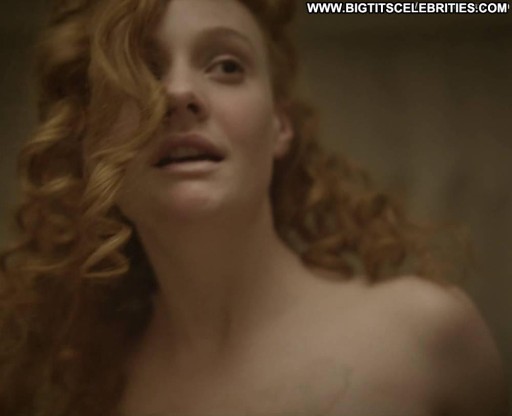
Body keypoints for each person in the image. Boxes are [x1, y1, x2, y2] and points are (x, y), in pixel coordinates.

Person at [0, 0, 508, 415]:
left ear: (279, 127)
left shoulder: (425, 335)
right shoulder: (81, 392)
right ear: (88, 145)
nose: (179, 93)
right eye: (139, 70)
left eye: (227, 66)